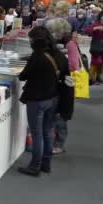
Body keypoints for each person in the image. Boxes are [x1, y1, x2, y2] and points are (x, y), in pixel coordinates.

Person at [18, 26, 68, 177]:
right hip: (53, 98)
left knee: (37, 133)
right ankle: (46, 164)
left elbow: (23, 76)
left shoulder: (38, 56)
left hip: (37, 99)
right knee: (47, 132)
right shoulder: (59, 54)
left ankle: (34, 166)